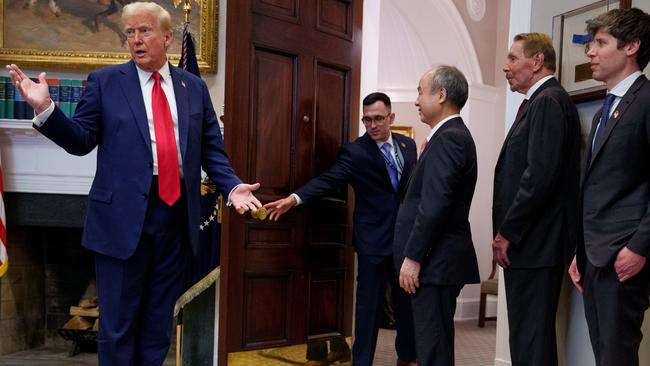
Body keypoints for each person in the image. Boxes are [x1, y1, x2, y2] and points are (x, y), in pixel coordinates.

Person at [6, 2, 261, 365]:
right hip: (121, 221)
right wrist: (46, 110)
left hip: (174, 220)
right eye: (130, 33)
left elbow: (211, 151)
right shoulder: (106, 82)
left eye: (145, 31)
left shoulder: (193, 87)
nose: (136, 40)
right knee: (118, 327)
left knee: (157, 326)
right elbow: (81, 141)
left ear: (168, 38)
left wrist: (233, 186)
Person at [264, 92, 418, 366]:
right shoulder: (355, 151)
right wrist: (294, 199)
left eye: (378, 119)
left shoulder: (409, 146)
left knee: (406, 305)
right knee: (368, 309)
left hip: (404, 242)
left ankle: (407, 358)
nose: (372, 125)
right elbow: (328, 179)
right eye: (367, 119)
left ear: (391, 118)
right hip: (372, 242)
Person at [492, 32, 581, 366]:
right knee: (532, 341)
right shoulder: (542, 101)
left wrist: (507, 233)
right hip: (533, 245)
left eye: (514, 58)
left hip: (533, 244)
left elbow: (539, 177)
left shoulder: (547, 101)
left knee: (530, 342)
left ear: (538, 60)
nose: (506, 66)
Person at [568, 8, 650, 366]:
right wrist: (580, 251)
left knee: (617, 356)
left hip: (624, 255)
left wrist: (639, 247)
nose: (590, 52)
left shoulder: (647, 102)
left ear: (632, 46)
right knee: (604, 353)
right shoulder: (605, 110)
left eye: (601, 42)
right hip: (594, 254)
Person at [394, 65, 479, 366]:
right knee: (430, 345)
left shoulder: (450, 138)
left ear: (441, 94)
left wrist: (413, 257)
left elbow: (434, 204)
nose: (416, 100)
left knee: (433, 349)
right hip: (435, 261)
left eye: (420, 91)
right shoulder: (447, 136)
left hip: (435, 261)